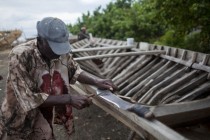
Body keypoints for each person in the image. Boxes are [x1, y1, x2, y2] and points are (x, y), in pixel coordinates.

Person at [0, 17, 116, 140]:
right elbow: (27, 97)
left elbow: (74, 70)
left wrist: (96, 81)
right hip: (19, 114)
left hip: (44, 111)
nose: (58, 54)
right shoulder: (21, 54)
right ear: (40, 40)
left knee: (45, 133)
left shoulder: (61, 52)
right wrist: (69, 98)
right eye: (54, 48)